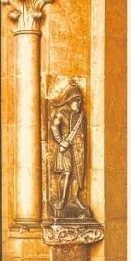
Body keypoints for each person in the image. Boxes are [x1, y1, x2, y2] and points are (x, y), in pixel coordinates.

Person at [50, 82, 88, 217]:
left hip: (78, 148)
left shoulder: (80, 116)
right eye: (76, 102)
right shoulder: (61, 113)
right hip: (65, 147)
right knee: (66, 172)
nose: (79, 105)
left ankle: (74, 197)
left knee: (78, 172)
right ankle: (62, 200)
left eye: (80, 102)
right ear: (70, 101)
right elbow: (54, 127)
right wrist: (61, 141)